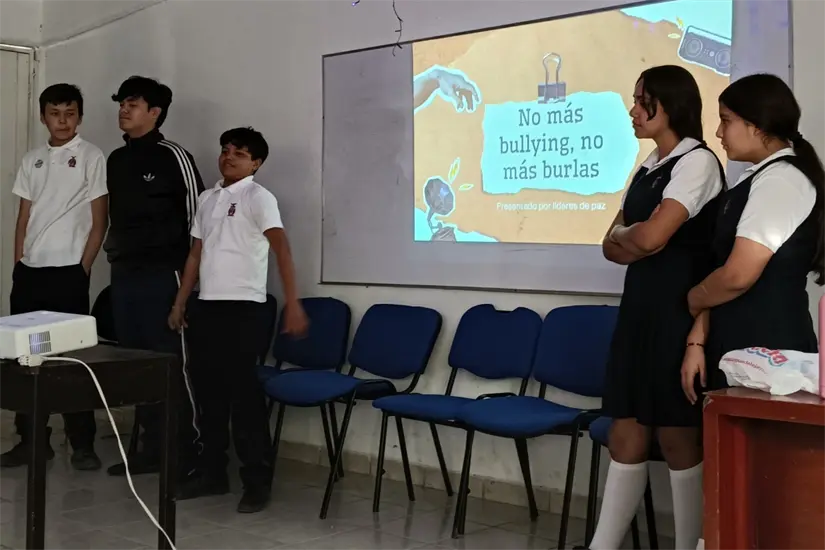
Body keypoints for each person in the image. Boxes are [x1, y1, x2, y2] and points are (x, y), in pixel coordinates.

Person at [576, 66, 725, 550]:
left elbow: (651, 237)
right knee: (626, 430)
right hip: (638, 310)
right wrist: (635, 238)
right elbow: (612, 244)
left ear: (671, 104)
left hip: (678, 315)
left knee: (679, 436)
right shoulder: (647, 165)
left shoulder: (697, 162)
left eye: (643, 101)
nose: (633, 110)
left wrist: (638, 238)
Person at [169, 127, 308, 513]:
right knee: (208, 395)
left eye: (240, 153)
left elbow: (282, 250)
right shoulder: (207, 198)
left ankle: (256, 482)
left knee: (244, 398)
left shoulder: (259, 198)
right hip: (207, 307)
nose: (228, 157)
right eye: (225, 150)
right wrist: (181, 302)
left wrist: (293, 303)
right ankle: (213, 473)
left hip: (245, 309)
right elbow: (196, 253)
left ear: (256, 163)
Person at [682, 74, 822, 410]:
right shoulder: (759, 177)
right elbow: (723, 269)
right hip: (740, 343)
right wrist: (697, 339)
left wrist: (693, 297)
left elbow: (737, 275)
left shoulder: (782, 179)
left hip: (770, 349)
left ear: (757, 125)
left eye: (726, 121)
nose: (719, 133)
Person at [0, 84, 107, 471]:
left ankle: (82, 442)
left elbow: (100, 220)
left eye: (70, 113)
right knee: (25, 359)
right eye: (55, 113)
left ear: (79, 117)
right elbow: (24, 218)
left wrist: (83, 268)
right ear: (43, 116)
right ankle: (31, 441)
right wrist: (19, 263)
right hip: (30, 273)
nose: (62, 121)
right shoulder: (32, 160)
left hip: (68, 273)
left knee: (73, 359)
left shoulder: (91, 156)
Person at [105, 76, 204, 477]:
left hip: (165, 276)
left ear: (155, 112)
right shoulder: (116, 160)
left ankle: (187, 452)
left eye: (132, 104)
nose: (123, 110)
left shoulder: (173, 156)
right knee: (137, 364)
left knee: (170, 364)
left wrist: (188, 289)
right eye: (121, 103)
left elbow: (199, 224)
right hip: (125, 275)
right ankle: (150, 449)